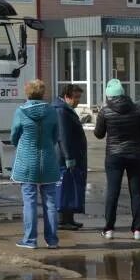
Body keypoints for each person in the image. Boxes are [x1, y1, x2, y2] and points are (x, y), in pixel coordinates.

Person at [94, 78, 140, 240]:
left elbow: (98, 134)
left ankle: (109, 229)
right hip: (136, 156)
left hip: (114, 156)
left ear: (109, 96)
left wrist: (101, 115)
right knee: (136, 192)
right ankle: (137, 229)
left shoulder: (105, 111)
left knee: (113, 192)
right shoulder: (138, 110)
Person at [10, 79, 62, 249]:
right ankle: (52, 240)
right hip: (48, 160)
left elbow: (14, 136)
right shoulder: (52, 112)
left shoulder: (21, 112)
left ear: (28, 93)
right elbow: (56, 136)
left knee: (29, 200)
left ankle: (30, 240)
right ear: (43, 93)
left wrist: (22, 144)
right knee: (50, 201)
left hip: (27, 160)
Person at [53, 84, 88, 230]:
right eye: (76, 98)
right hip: (65, 157)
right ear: (67, 96)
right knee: (65, 188)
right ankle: (63, 220)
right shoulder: (62, 111)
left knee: (71, 187)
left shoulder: (66, 109)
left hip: (71, 155)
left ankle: (70, 218)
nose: (78, 101)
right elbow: (63, 136)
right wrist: (68, 157)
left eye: (79, 97)